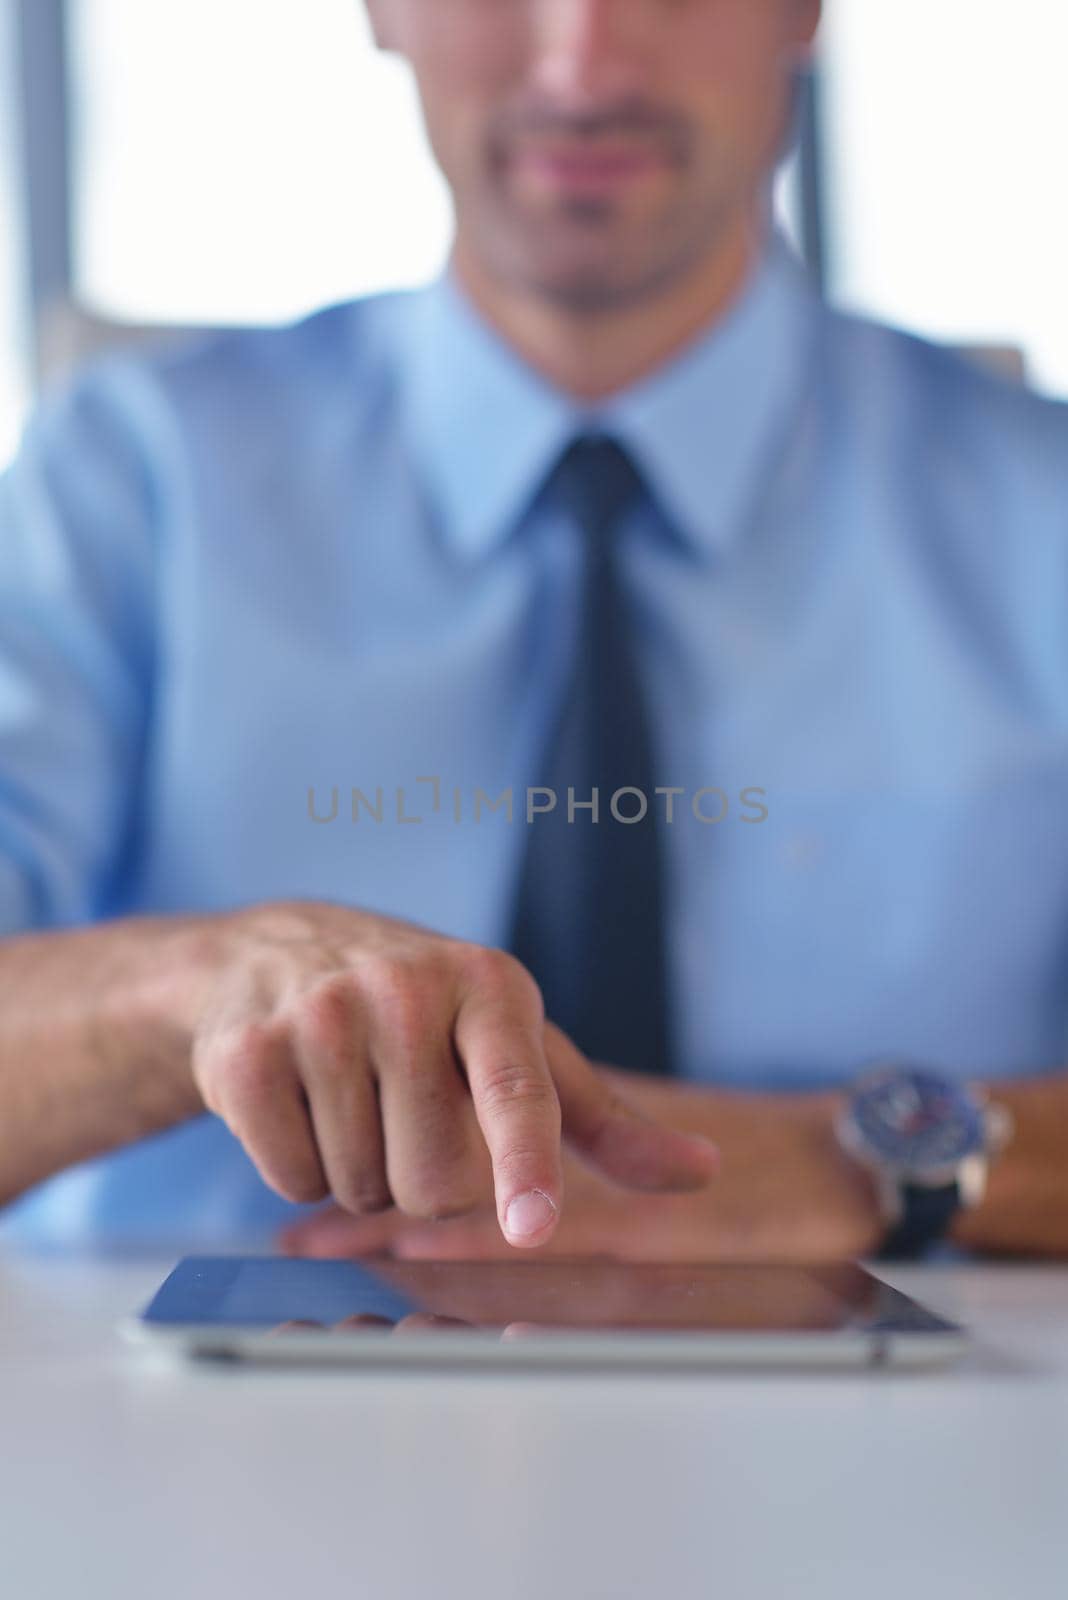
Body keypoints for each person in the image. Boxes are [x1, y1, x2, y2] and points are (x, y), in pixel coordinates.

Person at [1, 0, 1066, 1263]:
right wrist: (181, 993)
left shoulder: (1041, 517)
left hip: (928, 1440)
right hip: (178, 1424)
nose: (581, 63)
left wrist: (856, 1162)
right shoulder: (123, 488)